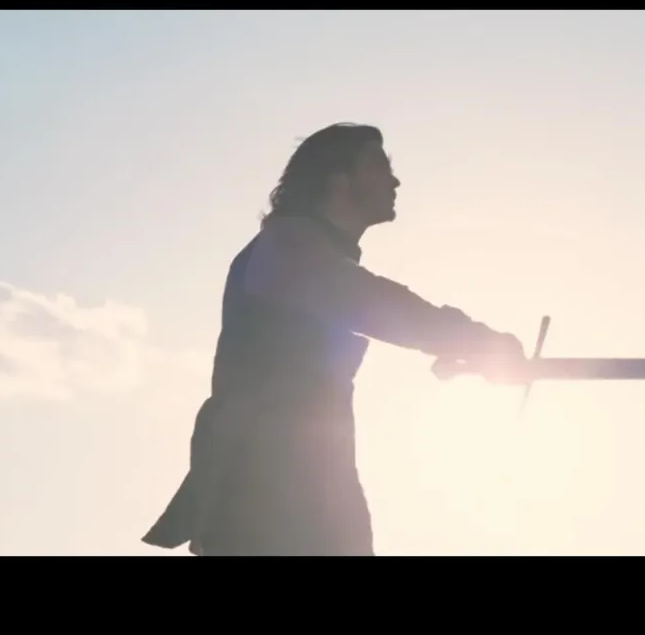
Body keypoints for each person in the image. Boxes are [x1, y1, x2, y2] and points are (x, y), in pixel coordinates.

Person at [141, 122, 528, 556]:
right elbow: (370, 302)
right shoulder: (285, 248)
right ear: (337, 180)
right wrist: (477, 343)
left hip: (304, 486)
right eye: (378, 166)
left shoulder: (297, 250)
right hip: (267, 491)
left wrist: (464, 348)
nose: (395, 181)